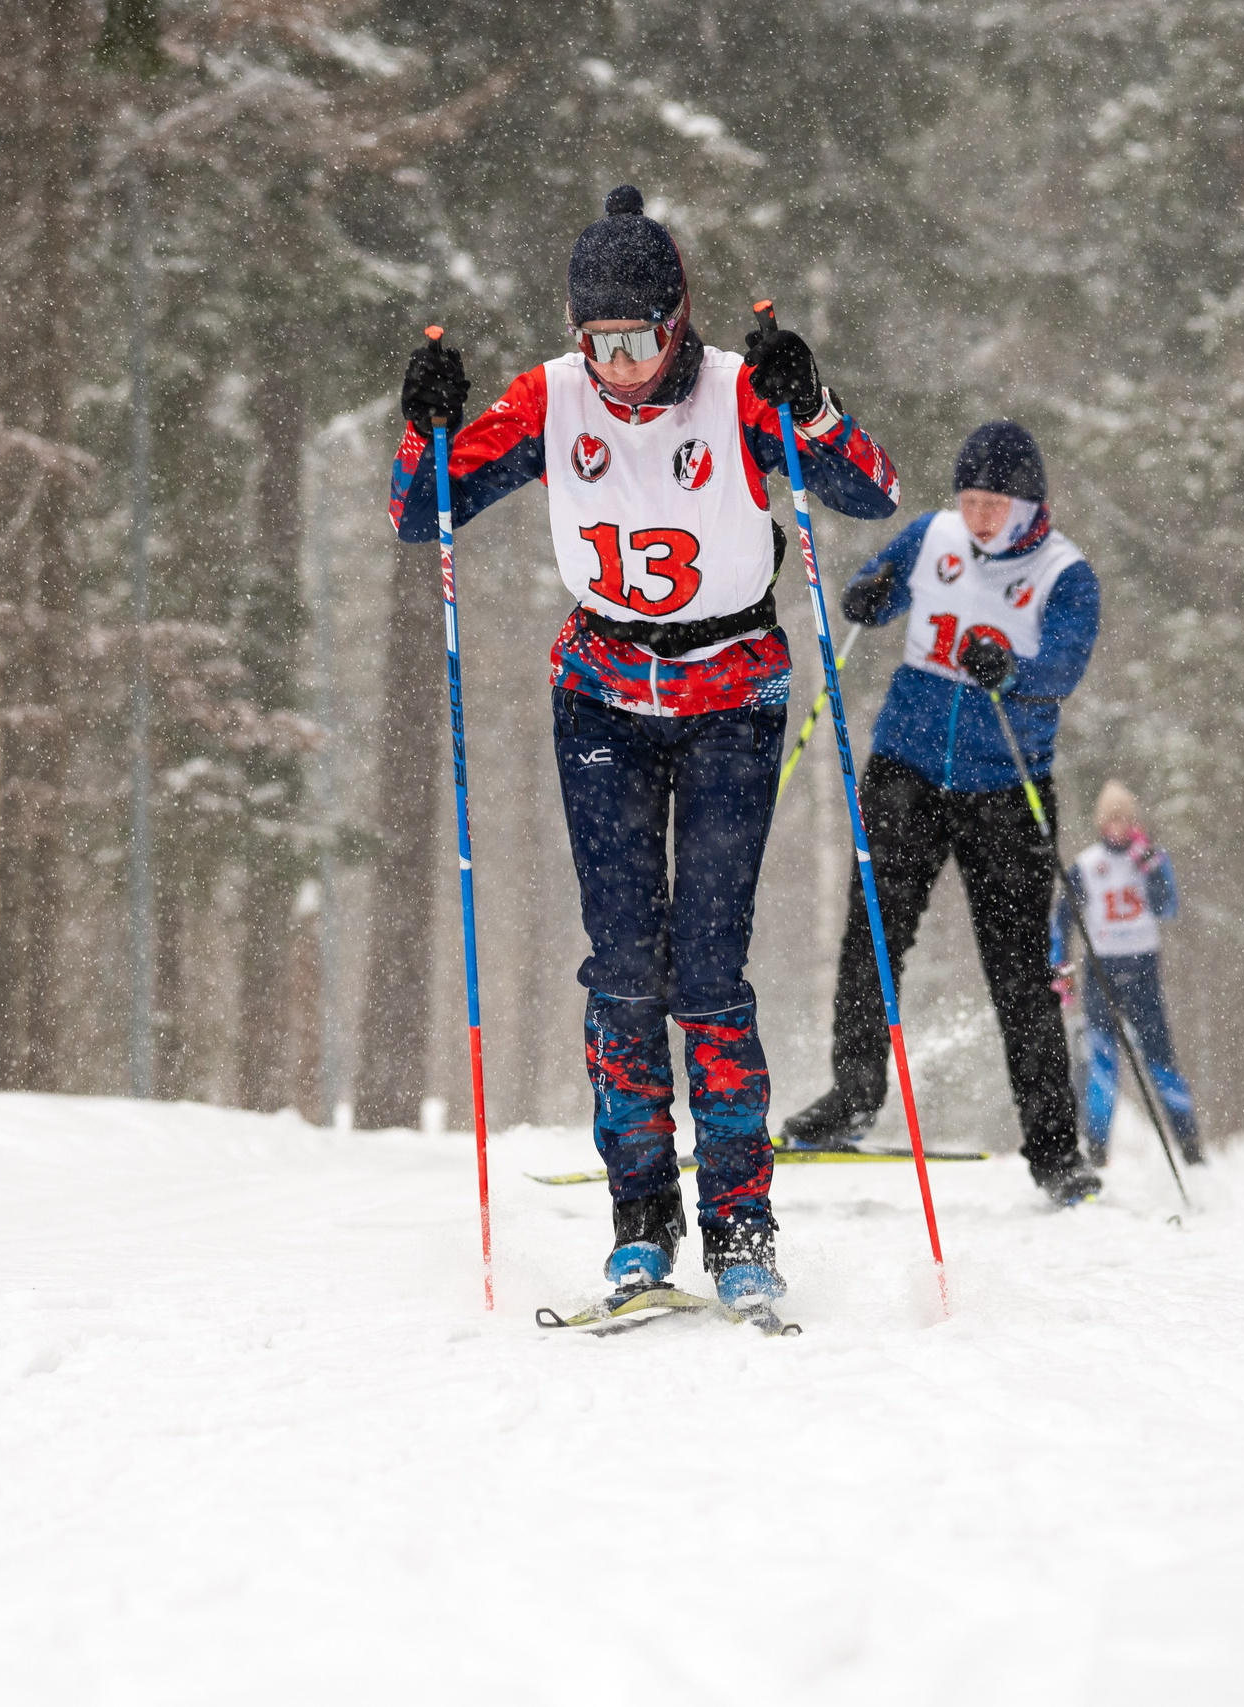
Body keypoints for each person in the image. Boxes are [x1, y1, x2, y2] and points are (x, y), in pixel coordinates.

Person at [387, 186, 901, 1312]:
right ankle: (639, 1225)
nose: (615, 365)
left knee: (708, 969)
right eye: (596, 341)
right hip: (604, 699)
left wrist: (809, 406)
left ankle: (742, 1225)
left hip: (732, 697)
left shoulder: (733, 391)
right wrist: (423, 426)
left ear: (679, 323)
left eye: (637, 340)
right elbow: (421, 510)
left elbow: (869, 488)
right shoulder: (548, 400)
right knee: (622, 969)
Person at [779, 422, 1103, 1206]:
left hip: (1005, 784)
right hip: (907, 771)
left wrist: (1015, 669)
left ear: (1031, 505)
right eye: (970, 499)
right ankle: (852, 1098)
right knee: (872, 941)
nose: (981, 516)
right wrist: (868, 594)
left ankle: (1056, 1150)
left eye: (996, 503)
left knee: (1021, 973)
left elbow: (1065, 660)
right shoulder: (933, 535)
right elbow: (880, 583)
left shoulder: (1066, 573)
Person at [1053, 781, 1203, 1168]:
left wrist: (1152, 869)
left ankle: (1189, 1146)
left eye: (1124, 818)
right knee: (1102, 1062)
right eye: (1110, 819)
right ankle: (1097, 1150)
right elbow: (1063, 919)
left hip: (1143, 968)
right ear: (1101, 824)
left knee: (1160, 1059)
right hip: (1102, 968)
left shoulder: (1151, 858)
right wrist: (1061, 967)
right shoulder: (1087, 866)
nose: (1118, 826)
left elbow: (1167, 907)